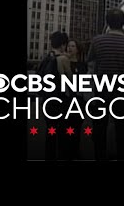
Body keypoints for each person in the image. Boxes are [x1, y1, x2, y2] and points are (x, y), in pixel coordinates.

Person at [87, 8, 124, 161]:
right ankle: (122, 156)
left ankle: (99, 155)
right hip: (121, 88)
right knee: (121, 126)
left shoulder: (97, 41)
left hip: (102, 88)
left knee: (100, 126)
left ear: (107, 23)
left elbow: (91, 63)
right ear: (123, 23)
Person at [37, 31, 72, 161]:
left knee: (50, 130)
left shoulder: (46, 59)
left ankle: (49, 157)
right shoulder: (63, 59)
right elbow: (70, 81)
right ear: (63, 44)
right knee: (62, 131)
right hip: (60, 101)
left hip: (47, 100)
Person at [63, 38, 87, 160]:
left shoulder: (82, 65)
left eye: (72, 46)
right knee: (67, 127)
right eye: (68, 46)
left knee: (77, 126)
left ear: (77, 50)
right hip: (66, 100)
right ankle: (67, 152)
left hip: (78, 100)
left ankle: (75, 151)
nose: (69, 48)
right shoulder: (63, 62)